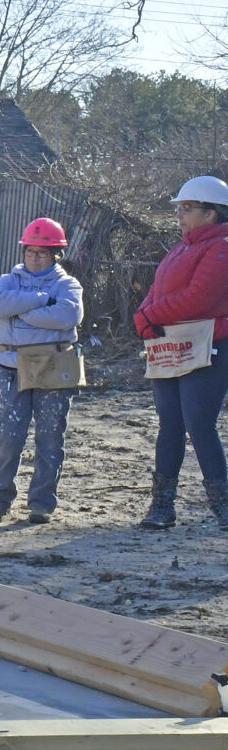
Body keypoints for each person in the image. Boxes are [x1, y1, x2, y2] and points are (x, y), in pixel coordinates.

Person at [133, 175, 228, 530]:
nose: (180, 214)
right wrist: (144, 317)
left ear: (212, 214)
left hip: (209, 346)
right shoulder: (182, 248)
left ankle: (222, 505)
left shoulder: (222, 248)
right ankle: (162, 507)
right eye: (180, 208)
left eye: (188, 208)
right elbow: (157, 292)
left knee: (199, 424)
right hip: (172, 345)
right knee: (170, 424)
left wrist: (149, 315)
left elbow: (199, 299)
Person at [0, 218, 84, 525]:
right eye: (31, 252)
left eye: (43, 252)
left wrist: (20, 314)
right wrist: (40, 301)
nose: (35, 257)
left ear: (56, 255)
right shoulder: (7, 281)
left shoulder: (67, 285)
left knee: (50, 437)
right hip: (10, 368)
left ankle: (41, 504)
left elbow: (68, 314)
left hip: (53, 366)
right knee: (7, 437)